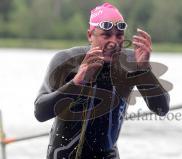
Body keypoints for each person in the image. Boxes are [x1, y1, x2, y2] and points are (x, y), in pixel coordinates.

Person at [34, 2, 170, 159]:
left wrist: (144, 70)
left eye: (119, 35)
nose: (113, 42)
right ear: (90, 35)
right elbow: (40, 112)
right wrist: (77, 82)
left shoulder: (130, 63)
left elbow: (162, 109)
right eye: (106, 35)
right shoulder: (67, 61)